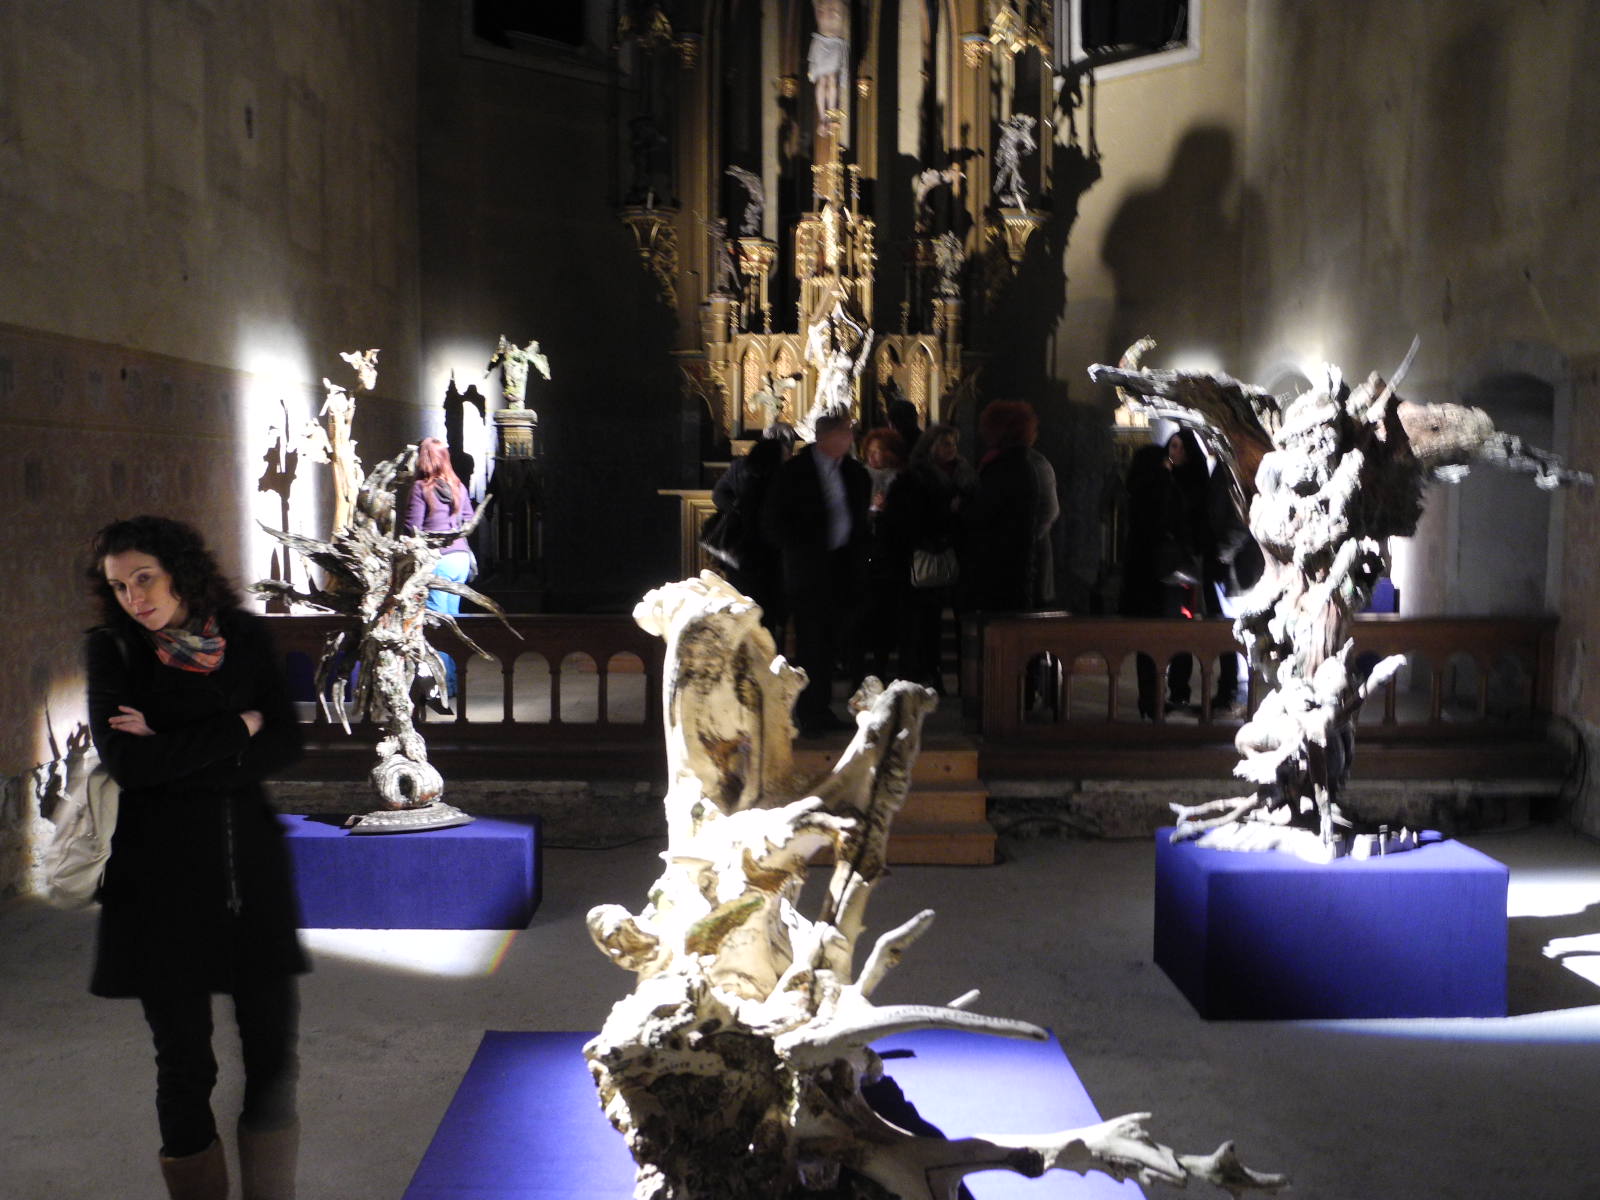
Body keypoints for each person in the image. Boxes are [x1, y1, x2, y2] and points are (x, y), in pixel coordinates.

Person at [85, 516, 307, 1200]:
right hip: (158, 888)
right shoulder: (115, 650)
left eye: (144, 578)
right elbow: (130, 765)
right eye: (119, 586)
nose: (134, 598)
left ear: (180, 571)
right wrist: (236, 727)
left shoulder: (242, 636)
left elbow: (286, 742)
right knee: (185, 1067)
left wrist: (171, 745)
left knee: (272, 1061)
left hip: (250, 875)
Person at [763, 412, 871, 737]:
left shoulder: (854, 472)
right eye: (844, 433)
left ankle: (824, 707)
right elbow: (773, 521)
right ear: (825, 437)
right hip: (809, 570)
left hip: (844, 569)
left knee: (835, 642)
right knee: (812, 643)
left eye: (850, 433)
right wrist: (802, 547)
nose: (850, 439)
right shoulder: (794, 472)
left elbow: (858, 519)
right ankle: (809, 711)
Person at [884, 422, 977, 691]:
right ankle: (923, 673)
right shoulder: (915, 478)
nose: (951, 449)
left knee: (944, 619)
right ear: (931, 447)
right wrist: (946, 514)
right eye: (945, 444)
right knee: (922, 620)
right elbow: (907, 518)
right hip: (924, 555)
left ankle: (943, 674)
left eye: (954, 444)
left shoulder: (965, 475)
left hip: (954, 555)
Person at [404, 437, 475, 715]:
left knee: (435, 625)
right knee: (452, 623)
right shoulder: (457, 486)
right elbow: (469, 519)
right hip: (460, 558)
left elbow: (413, 528)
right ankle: (455, 683)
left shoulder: (421, 488)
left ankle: (442, 686)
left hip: (437, 561)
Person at [971, 400, 1059, 613]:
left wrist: (1024, 538)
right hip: (1016, 557)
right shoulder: (1013, 461)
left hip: (1022, 560)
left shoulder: (1029, 463)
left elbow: (1049, 510)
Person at [710, 422, 794, 636]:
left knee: (745, 612)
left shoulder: (745, 471)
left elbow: (719, 495)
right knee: (767, 618)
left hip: (742, 556)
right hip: (765, 559)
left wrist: (736, 509)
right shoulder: (779, 479)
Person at [858, 427, 908, 682]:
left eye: (879, 451)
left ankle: (882, 662)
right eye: (871, 451)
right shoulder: (861, 477)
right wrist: (872, 511)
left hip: (891, 554)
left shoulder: (900, 480)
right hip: (866, 553)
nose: (873, 456)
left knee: (887, 613)